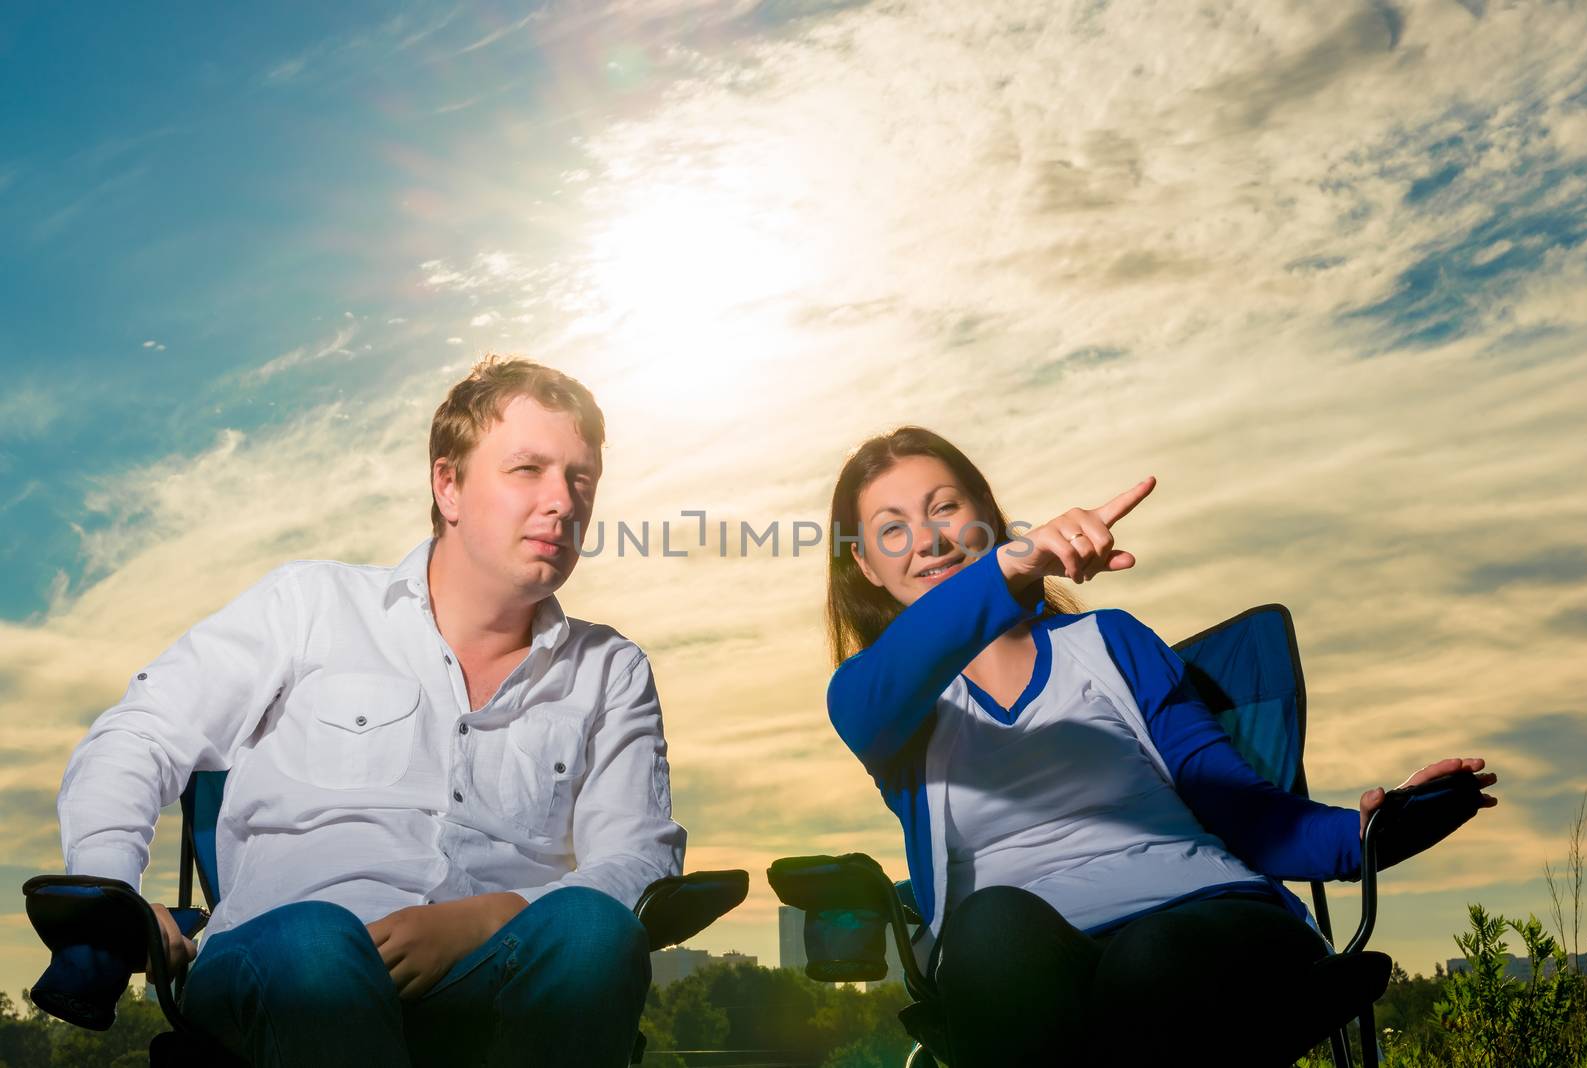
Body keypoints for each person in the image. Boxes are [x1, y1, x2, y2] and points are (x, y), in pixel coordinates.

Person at [56, 356, 686, 1067]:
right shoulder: (308, 605)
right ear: (447, 484)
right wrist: (116, 897)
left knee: (593, 930)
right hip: (283, 966)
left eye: (582, 479)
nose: (564, 503)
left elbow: (639, 858)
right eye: (528, 471)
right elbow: (138, 733)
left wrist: (484, 919)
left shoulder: (610, 670)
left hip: (492, 977)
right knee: (318, 944)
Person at [823, 426, 1497, 1067]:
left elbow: (1250, 817)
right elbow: (878, 689)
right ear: (865, 564)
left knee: (1150, 959)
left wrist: (1375, 829)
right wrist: (1017, 563)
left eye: (945, 508)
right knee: (989, 927)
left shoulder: (1109, 644)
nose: (929, 541)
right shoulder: (881, 705)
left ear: (989, 517)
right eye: (892, 529)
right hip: (1018, 963)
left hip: (1208, 922)